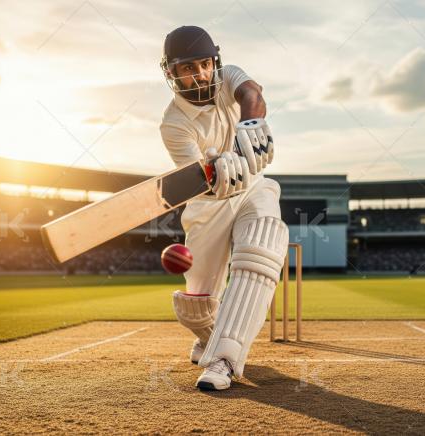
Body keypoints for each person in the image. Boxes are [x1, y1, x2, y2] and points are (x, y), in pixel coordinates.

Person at [159, 25, 288, 391]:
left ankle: (224, 360)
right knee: (195, 309)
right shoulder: (173, 124)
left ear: (214, 61)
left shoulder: (228, 76)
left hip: (253, 189)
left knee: (263, 242)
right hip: (208, 205)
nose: (200, 74)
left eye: (205, 64)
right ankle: (208, 338)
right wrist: (216, 168)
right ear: (172, 73)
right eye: (188, 68)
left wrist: (250, 123)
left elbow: (252, 93)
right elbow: (197, 178)